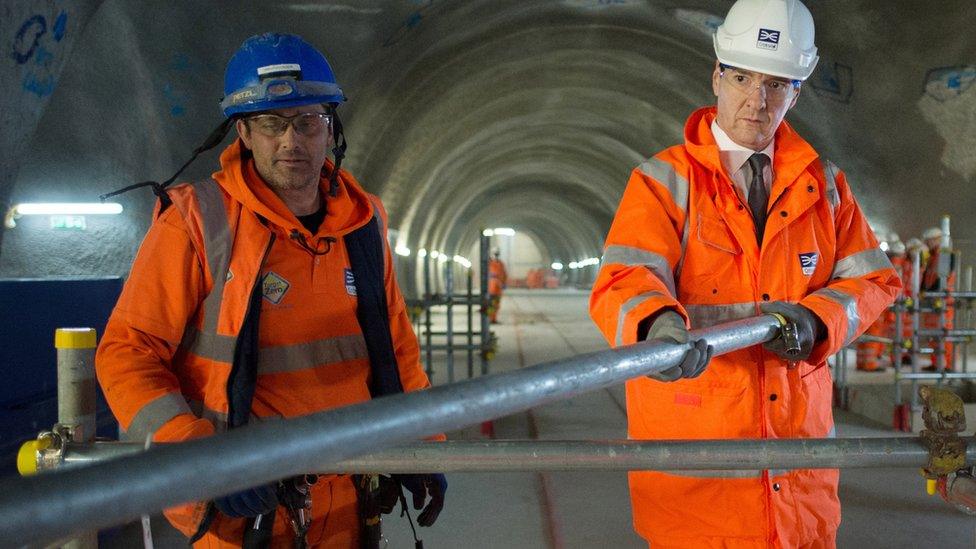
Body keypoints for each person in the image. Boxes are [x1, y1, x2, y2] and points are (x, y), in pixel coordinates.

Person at [95, 33, 446, 547]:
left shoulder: (363, 223)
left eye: (308, 122)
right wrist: (202, 458)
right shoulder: (197, 222)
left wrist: (425, 448)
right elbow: (126, 353)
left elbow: (397, 352)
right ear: (243, 132)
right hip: (247, 505)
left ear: (330, 128)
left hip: (353, 492)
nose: (291, 141)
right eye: (271, 124)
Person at [589, 1, 900, 547]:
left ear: (796, 92)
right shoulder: (664, 181)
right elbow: (623, 279)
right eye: (741, 78)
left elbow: (874, 281)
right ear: (717, 75)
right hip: (700, 488)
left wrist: (817, 321)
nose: (756, 101)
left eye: (776, 85)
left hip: (797, 483)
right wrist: (655, 328)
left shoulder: (826, 186)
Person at [920, 227, 956, 370]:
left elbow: (943, 278)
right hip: (933, 301)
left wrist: (929, 292)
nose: (927, 244)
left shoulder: (946, 254)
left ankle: (947, 365)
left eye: (929, 241)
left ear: (937, 239)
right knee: (934, 336)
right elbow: (926, 276)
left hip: (943, 301)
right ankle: (937, 364)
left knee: (943, 334)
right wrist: (923, 290)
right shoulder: (933, 257)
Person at [487, 249, 508, 323]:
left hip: (498, 287)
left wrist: (504, 283)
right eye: (495, 254)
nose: (496, 256)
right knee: (491, 304)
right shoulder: (489, 263)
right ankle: (489, 318)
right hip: (491, 287)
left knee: (496, 304)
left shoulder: (501, 264)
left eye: (497, 254)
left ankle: (493, 319)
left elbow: (504, 274)